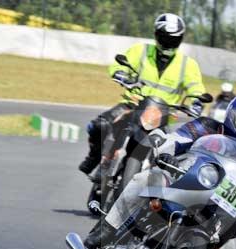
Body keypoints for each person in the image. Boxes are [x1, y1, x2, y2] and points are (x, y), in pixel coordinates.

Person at [83, 93, 236, 249]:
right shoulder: (207, 126)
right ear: (235, 119)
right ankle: (106, 229)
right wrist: (166, 153)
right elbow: (177, 138)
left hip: (210, 210)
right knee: (146, 179)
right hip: (179, 181)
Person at [78, 13, 207, 178]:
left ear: (180, 40)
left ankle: (143, 184)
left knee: (169, 155)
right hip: (132, 104)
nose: (168, 43)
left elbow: (196, 87)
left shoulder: (188, 65)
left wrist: (197, 101)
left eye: (172, 40)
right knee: (99, 126)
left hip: (163, 115)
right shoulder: (141, 51)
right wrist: (120, 73)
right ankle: (95, 156)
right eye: (164, 38)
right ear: (156, 35)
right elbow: (120, 64)